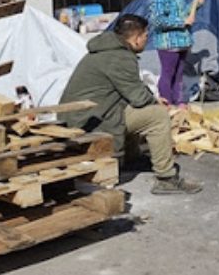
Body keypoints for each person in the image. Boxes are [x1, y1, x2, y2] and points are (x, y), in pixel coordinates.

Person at [60, 14, 202, 195]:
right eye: (145, 36)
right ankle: (166, 178)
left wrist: (152, 98)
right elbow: (138, 97)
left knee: (134, 109)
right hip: (86, 122)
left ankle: (131, 158)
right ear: (135, 39)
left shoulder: (108, 52)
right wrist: (156, 103)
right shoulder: (120, 57)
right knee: (157, 116)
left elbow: (130, 88)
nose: (146, 40)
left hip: (85, 116)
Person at [147, 0, 203, 107]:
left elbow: (185, 12)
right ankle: (167, 102)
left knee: (179, 74)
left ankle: (179, 101)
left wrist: (195, 5)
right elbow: (157, 20)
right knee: (168, 73)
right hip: (168, 43)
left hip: (182, 42)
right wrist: (181, 22)